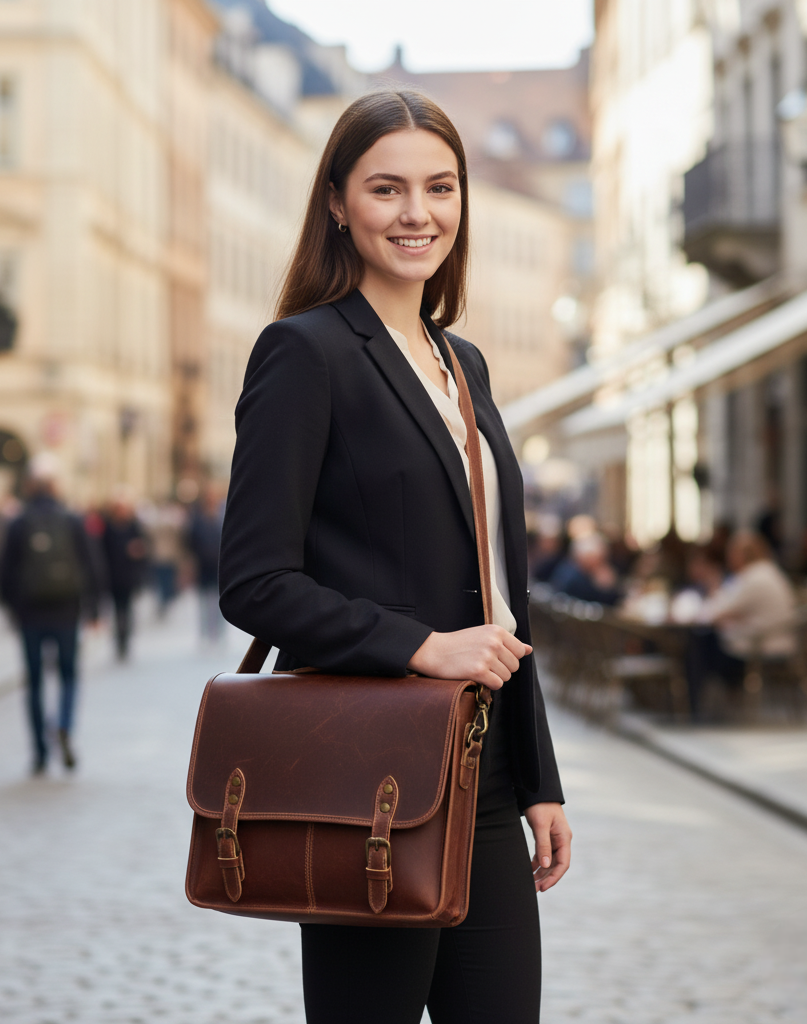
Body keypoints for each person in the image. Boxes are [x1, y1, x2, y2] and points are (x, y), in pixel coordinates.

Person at [217, 91, 570, 1024]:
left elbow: (501, 588)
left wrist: (540, 780)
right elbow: (254, 582)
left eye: (440, 188)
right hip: (371, 772)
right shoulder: (305, 353)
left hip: (487, 775)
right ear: (338, 202)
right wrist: (422, 645)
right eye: (387, 188)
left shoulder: (466, 364)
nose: (419, 213)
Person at [0, 455, 99, 774]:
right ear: (55, 486)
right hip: (67, 609)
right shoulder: (71, 519)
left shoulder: (18, 522)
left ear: (29, 485)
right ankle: (65, 725)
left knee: (35, 680)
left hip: (30, 613)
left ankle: (39, 751)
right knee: (68, 674)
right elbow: (91, 565)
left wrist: (12, 608)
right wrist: (93, 608)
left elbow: (3, 571)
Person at [685, 530, 796, 719]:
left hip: (759, 644)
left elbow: (716, 613)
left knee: (697, 644)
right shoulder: (768, 572)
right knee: (704, 641)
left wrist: (714, 588)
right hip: (768, 638)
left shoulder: (754, 578)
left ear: (741, 555)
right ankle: (703, 704)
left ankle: (691, 708)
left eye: (732, 554)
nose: (729, 559)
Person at [100, 492, 149, 659]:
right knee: (117, 609)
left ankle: (125, 639)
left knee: (126, 609)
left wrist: (137, 552)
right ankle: (119, 639)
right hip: (113, 575)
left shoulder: (133, 526)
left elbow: (143, 547)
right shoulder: (107, 527)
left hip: (129, 576)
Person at [188, 483, 224, 644]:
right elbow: (190, 541)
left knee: (220, 601)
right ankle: (205, 634)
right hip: (202, 565)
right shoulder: (197, 518)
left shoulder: (223, 515)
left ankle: (218, 633)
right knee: (203, 601)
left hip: (220, 565)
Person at [549, 532, 621, 605]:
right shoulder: (574, 577)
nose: (602, 562)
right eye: (600, 558)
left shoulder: (568, 568)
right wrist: (607, 588)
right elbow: (599, 600)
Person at [144, 499, 184, 617]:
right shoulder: (157, 525)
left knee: (167, 582)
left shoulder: (173, 525)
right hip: (159, 558)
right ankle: (163, 601)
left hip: (169, 558)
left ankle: (165, 601)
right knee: (161, 582)